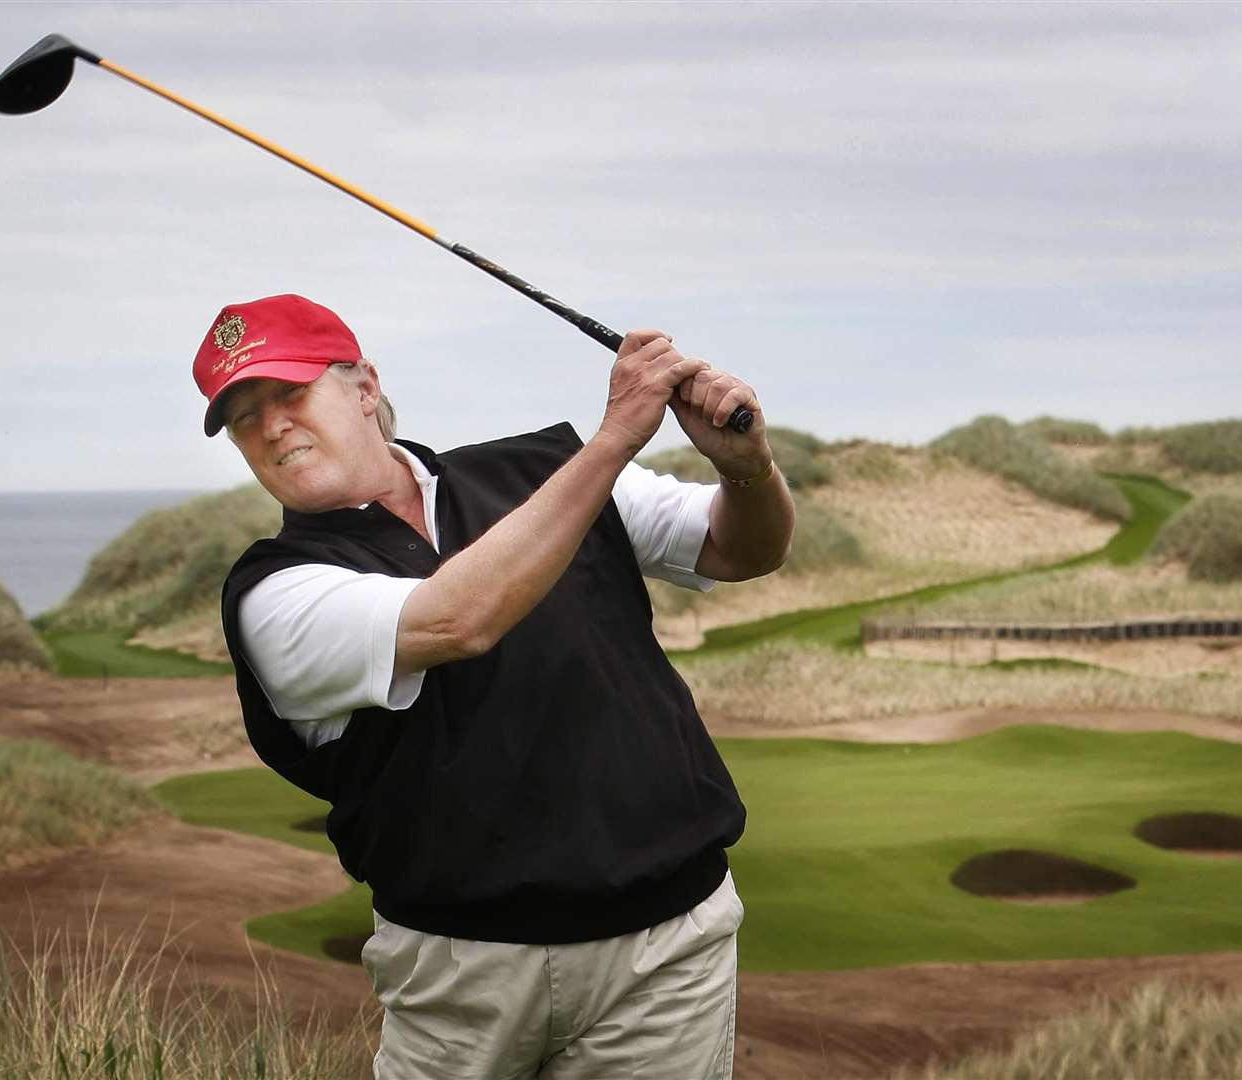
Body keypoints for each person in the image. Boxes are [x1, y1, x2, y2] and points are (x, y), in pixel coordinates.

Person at [193, 293, 795, 1080]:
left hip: (666, 950)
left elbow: (736, 546)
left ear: (365, 389)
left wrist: (748, 470)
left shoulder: (542, 468)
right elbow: (458, 619)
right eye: (242, 416)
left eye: (290, 393)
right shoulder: (273, 593)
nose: (271, 426)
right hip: (460, 980)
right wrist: (615, 438)